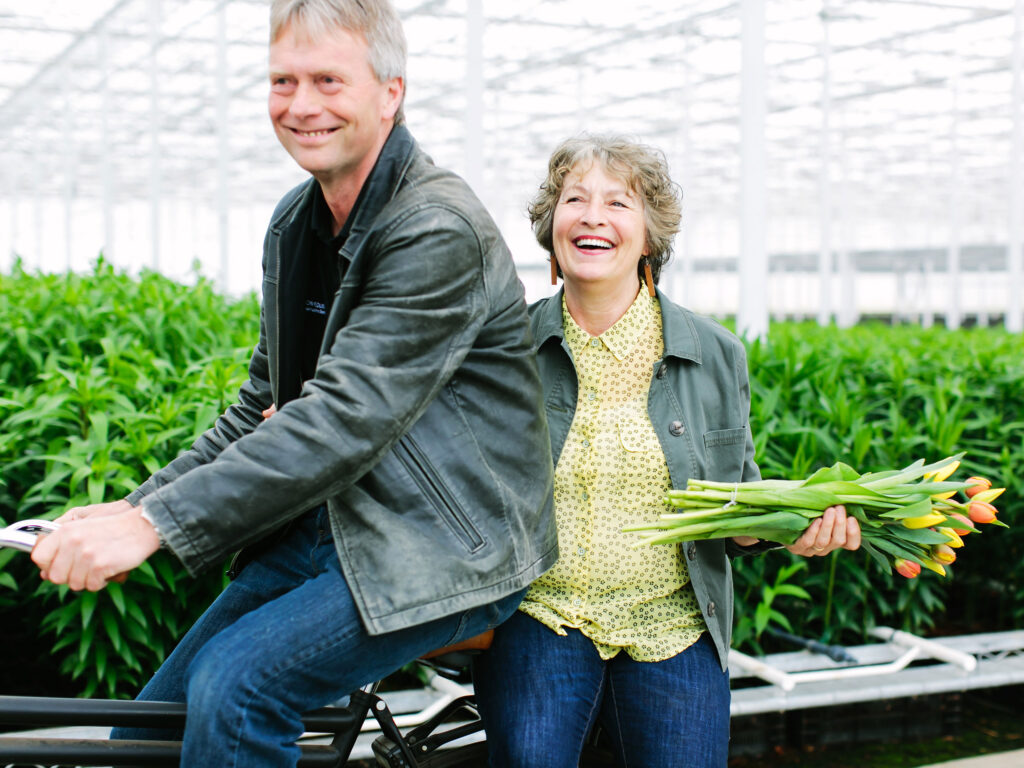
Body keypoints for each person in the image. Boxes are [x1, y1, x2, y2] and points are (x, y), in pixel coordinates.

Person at [29, 1, 557, 764]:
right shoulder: (296, 222)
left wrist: (153, 529)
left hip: (441, 541)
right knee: (147, 731)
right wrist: (135, 505)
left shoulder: (437, 228)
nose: (301, 105)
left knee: (238, 690)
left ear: (390, 92)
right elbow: (260, 408)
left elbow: (341, 420)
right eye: (283, 80)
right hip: (333, 519)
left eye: (327, 80)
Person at [471, 135, 862, 768]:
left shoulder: (714, 352)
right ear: (552, 228)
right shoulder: (506, 348)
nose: (593, 216)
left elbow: (737, 504)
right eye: (576, 199)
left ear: (650, 237)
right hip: (543, 613)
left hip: (673, 622)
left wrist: (793, 529)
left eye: (618, 203)